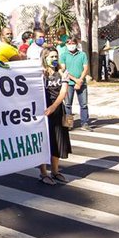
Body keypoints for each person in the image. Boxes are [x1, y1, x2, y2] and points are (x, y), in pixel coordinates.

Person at [38, 47, 72, 185]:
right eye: (51, 56)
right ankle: (43, 173)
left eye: (55, 56)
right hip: (43, 112)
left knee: (58, 141)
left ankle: (55, 171)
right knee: (45, 142)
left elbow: (63, 93)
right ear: (45, 58)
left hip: (58, 111)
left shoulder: (62, 73)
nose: (54, 59)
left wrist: (53, 107)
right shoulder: (40, 74)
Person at [60, 36, 92, 130]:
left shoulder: (82, 55)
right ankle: (68, 125)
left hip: (81, 83)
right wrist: (75, 80)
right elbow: (63, 69)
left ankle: (85, 123)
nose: (71, 45)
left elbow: (85, 68)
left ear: (76, 44)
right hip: (68, 83)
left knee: (84, 104)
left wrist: (80, 80)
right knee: (68, 104)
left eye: (73, 43)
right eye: (69, 43)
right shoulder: (63, 55)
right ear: (66, 44)